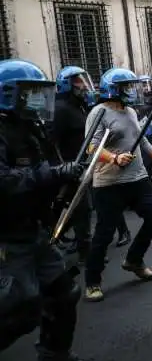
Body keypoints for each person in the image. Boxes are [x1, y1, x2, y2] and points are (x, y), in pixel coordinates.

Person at [0, 59, 102, 361]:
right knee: (17, 311)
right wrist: (53, 174)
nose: (38, 100)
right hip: (6, 236)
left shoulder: (29, 127)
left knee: (63, 295)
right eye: (30, 93)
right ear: (8, 94)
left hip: (34, 231)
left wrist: (62, 179)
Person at [83, 68, 152, 302]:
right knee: (104, 234)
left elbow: (140, 138)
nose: (132, 91)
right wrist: (114, 158)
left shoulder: (132, 111)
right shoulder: (98, 112)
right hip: (109, 183)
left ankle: (133, 259)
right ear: (113, 90)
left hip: (138, 178)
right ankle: (92, 281)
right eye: (127, 87)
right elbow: (92, 147)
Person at [50, 66, 96, 263]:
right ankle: (86, 252)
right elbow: (53, 142)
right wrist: (63, 168)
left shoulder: (79, 105)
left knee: (81, 209)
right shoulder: (60, 109)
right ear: (66, 84)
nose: (83, 84)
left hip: (84, 165)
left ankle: (68, 240)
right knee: (81, 209)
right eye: (77, 81)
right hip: (71, 168)